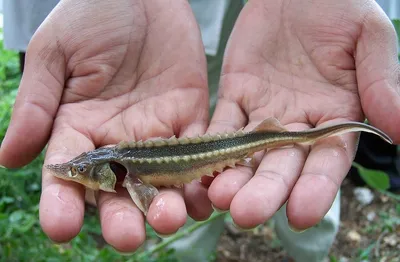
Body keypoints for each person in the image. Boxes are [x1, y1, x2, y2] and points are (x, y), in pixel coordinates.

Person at [1, 0, 399, 261]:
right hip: (160, 33)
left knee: (298, 170)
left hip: (266, 24)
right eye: (81, 171)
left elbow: (144, 193)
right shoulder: (130, 172)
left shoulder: (137, 181)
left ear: (113, 173)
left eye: (84, 172)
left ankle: (310, 251)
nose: (80, 174)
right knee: (201, 194)